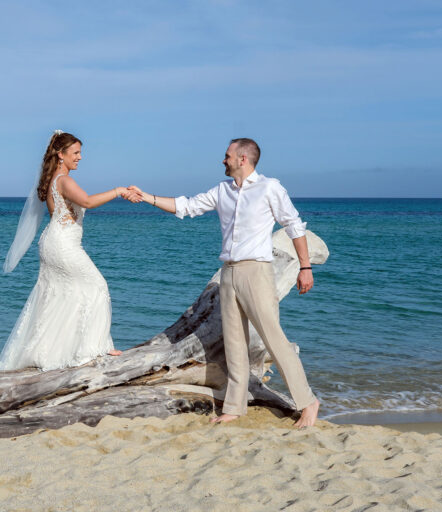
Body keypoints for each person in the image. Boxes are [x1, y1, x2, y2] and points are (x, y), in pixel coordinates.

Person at [127, 138, 321, 428]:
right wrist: (147, 197)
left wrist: (304, 268)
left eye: (227, 156)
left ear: (243, 159)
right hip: (228, 273)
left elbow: (294, 226)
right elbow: (187, 206)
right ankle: (234, 406)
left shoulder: (270, 188)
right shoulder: (222, 191)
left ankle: (308, 402)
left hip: (257, 271)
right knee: (234, 344)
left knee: (274, 339)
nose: (223, 160)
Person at [0, 131, 138, 371]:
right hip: (62, 245)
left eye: (80, 153)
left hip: (53, 242)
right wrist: (119, 190)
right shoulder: (64, 180)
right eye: (76, 153)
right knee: (97, 286)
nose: (80, 157)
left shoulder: (53, 178)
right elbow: (88, 201)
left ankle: (54, 351)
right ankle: (92, 349)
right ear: (61, 155)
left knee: (62, 294)